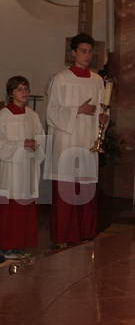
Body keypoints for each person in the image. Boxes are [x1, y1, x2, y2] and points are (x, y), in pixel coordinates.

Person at [44, 33, 104, 248]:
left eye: (90, 52)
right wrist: (77, 110)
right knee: (66, 191)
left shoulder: (97, 81)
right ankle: (63, 236)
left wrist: (103, 120)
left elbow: (102, 110)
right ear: (73, 53)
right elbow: (51, 112)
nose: (87, 55)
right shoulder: (61, 78)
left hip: (88, 141)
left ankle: (85, 233)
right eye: (83, 51)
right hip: (67, 142)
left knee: (86, 190)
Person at [0, 76, 45, 259]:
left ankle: (21, 244)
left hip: (27, 168)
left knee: (25, 208)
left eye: (26, 89)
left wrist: (36, 144)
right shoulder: (3, 115)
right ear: (11, 93)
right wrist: (21, 144)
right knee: (10, 209)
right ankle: (7, 246)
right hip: (10, 170)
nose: (24, 92)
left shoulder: (33, 115)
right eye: (19, 89)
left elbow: (41, 137)